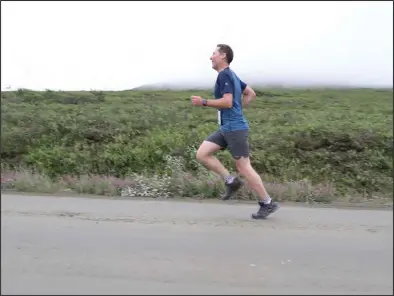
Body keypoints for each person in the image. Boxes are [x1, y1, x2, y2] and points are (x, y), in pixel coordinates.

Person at [190, 44, 279, 219]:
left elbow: (228, 102)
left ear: (223, 56)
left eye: (213, 54)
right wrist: (238, 110)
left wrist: (204, 102)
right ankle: (231, 181)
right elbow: (250, 93)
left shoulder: (225, 75)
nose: (211, 57)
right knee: (202, 154)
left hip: (235, 128)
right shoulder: (233, 76)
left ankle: (267, 203)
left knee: (244, 167)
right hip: (227, 127)